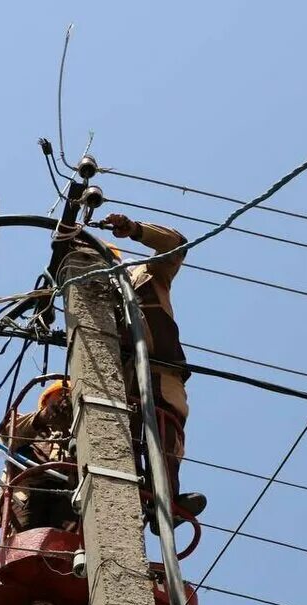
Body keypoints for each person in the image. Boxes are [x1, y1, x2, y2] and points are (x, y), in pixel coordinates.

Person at [97, 213, 207, 519]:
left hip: (161, 370)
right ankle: (126, 509)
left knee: (166, 428)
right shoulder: (89, 295)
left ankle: (167, 502)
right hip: (119, 385)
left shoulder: (147, 273)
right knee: (121, 444)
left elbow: (176, 245)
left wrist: (135, 229)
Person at [0, 380, 78, 533]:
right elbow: (8, 435)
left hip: (65, 498)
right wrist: (43, 417)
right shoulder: (31, 427)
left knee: (66, 544)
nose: (65, 401)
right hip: (28, 495)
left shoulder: (77, 438)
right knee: (27, 542)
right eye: (60, 395)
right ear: (47, 400)